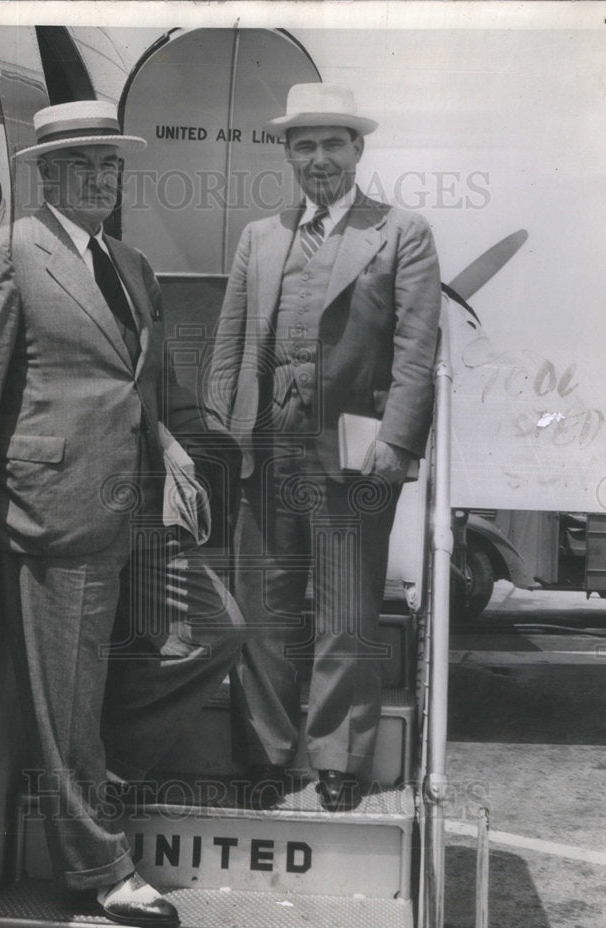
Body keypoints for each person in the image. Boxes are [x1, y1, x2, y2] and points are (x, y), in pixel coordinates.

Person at [0, 101, 243, 928]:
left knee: (214, 632)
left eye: (112, 165)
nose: (104, 178)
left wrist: (173, 449)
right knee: (66, 693)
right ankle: (99, 868)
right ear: (48, 174)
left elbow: (136, 381)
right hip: (53, 511)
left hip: (135, 500)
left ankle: (85, 773)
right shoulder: (8, 254)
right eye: (85, 165)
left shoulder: (130, 262)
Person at [205, 83, 441, 811]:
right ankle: (270, 755)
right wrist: (219, 437)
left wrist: (396, 442)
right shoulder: (260, 235)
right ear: (286, 154)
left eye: (331, 144)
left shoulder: (400, 232)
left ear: (357, 149)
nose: (318, 159)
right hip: (264, 451)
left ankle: (339, 758)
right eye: (303, 146)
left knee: (346, 614)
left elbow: (414, 350)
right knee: (263, 613)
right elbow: (229, 346)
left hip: (352, 455)